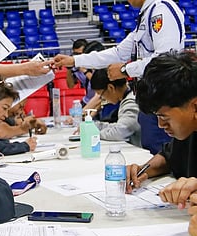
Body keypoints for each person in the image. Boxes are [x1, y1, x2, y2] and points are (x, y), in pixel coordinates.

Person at [53, 0, 184, 155]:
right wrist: (75, 60)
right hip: (149, 100)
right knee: (153, 150)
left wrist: (125, 69)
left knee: (164, 154)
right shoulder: (147, 14)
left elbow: (165, 59)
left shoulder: (162, 9)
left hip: (164, 99)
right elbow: (117, 53)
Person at [125, 51, 197, 236]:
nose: (160, 125)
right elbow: (168, 156)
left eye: (164, 117)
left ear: (195, 107)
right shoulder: (188, 131)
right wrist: (144, 170)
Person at [86, 69, 141, 146]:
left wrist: (92, 134)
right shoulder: (129, 97)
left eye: (101, 95)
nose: (103, 99)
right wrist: (94, 126)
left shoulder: (131, 102)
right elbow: (119, 126)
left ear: (110, 88)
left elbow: (120, 132)